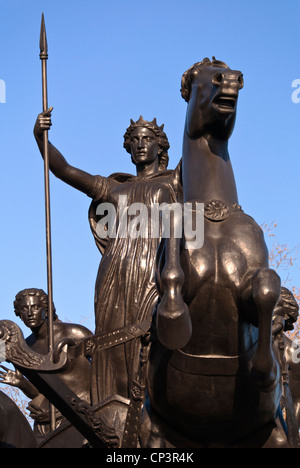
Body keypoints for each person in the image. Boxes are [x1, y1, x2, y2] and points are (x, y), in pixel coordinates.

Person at [34, 111, 182, 405]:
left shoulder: (175, 183)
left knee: (153, 338)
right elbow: (63, 170)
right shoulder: (113, 188)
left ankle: (158, 409)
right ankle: (113, 408)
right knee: (112, 344)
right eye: (134, 140)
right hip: (114, 270)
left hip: (156, 268)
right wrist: (41, 137)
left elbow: (203, 151)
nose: (141, 144)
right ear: (128, 149)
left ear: (160, 147)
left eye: (148, 139)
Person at [0, 288, 92, 443]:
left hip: (82, 413)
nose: (30, 313)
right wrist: (22, 383)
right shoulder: (26, 346)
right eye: (24, 308)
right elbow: (40, 391)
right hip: (45, 420)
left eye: (35, 307)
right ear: (18, 313)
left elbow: (104, 367)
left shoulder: (74, 333)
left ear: (47, 310)